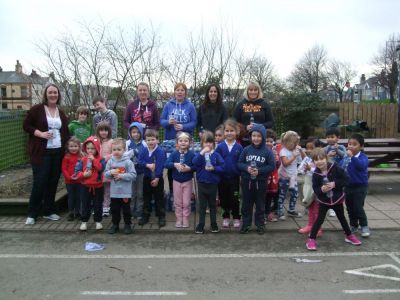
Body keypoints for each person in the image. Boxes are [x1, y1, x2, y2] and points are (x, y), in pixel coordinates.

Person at [23, 84, 70, 225]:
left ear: (58, 95)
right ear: (46, 94)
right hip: (41, 152)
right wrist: (41, 134)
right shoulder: (37, 109)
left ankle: (48, 211)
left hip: (57, 152)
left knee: (53, 181)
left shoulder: (60, 112)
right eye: (50, 92)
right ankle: (32, 213)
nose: (53, 95)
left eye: (55, 92)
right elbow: (26, 125)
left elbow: (66, 133)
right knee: (40, 182)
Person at [306, 148, 361, 251]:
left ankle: (349, 236)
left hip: (337, 199)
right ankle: (311, 239)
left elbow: (346, 179)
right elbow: (315, 188)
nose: (319, 162)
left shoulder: (336, 168)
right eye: (316, 160)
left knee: (342, 218)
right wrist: (321, 189)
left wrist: (335, 184)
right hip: (324, 201)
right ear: (313, 162)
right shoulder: (316, 174)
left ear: (326, 158)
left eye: (321, 159)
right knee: (319, 220)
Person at [160, 82, 197, 204]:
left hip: (186, 141)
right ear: (174, 92)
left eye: (182, 90)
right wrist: (168, 122)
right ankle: (172, 192)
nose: (180, 92)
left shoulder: (190, 106)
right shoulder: (168, 105)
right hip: (171, 141)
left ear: (185, 93)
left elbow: (194, 123)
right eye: (177, 90)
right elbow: (162, 121)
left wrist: (184, 126)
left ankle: (187, 192)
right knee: (173, 165)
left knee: (186, 165)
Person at [237, 124, 275, 234]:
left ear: (263, 137)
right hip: (247, 182)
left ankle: (260, 224)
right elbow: (239, 163)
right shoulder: (246, 149)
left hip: (261, 183)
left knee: (260, 204)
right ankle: (246, 224)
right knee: (246, 204)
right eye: (254, 135)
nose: (256, 138)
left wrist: (259, 171)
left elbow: (271, 166)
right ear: (250, 136)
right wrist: (247, 168)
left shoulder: (268, 151)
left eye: (259, 136)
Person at [193, 130, 224, 234]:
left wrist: (214, 168)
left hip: (213, 184)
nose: (208, 144)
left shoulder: (216, 155)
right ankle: (201, 225)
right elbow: (194, 162)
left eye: (210, 142)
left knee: (212, 205)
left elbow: (222, 167)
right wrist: (201, 153)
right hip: (201, 183)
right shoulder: (199, 154)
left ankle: (214, 224)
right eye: (206, 142)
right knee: (202, 206)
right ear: (202, 143)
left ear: (213, 143)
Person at [104, 138, 137, 234]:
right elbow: (105, 174)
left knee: (126, 210)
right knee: (115, 210)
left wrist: (121, 176)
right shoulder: (110, 162)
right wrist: (111, 172)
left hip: (125, 192)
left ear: (124, 150)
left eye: (119, 149)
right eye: (114, 150)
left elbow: (133, 175)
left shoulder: (128, 162)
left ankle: (127, 225)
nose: (116, 152)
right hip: (114, 193)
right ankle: (115, 225)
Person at [215, 119, 243, 228]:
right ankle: (225, 217)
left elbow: (241, 163)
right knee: (223, 198)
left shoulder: (239, 147)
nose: (229, 133)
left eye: (232, 130)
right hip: (222, 178)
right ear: (224, 132)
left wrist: (241, 175)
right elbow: (216, 161)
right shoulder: (220, 147)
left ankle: (236, 217)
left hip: (235, 178)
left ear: (237, 132)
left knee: (235, 198)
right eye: (227, 131)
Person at [165, 132, 195, 228]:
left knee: (186, 202)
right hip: (176, 181)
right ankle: (179, 219)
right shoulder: (174, 154)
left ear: (189, 143)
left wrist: (189, 168)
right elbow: (166, 164)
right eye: (181, 141)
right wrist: (174, 164)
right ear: (177, 143)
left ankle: (185, 218)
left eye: (186, 141)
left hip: (187, 181)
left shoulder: (191, 154)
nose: (183, 142)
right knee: (177, 202)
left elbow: (196, 166)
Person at [76, 136, 106, 231]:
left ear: (97, 148)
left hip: (98, 186)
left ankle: (98, 221)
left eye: (93, 148)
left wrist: (94, 160)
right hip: (85, 186)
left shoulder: (101, 159)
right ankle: (84, 221)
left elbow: (101, 168)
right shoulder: (82, 159)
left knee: (98, 205)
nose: (90, 150)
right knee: (85, 204)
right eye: (88, 148)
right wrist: (83, 174)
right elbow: (76, 173)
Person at [138, 129, 167, 227]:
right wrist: (147, 165)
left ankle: (161, 216)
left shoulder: (160, 151)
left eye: (153, 139)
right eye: (148, 140)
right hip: (147, 177)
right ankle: (146, 215)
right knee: (146, 197)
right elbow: (140, 161)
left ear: (157, 140)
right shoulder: (143, 150)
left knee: (159, 198)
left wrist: (157, 178)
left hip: (158, 179)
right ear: (145, 141)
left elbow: (160, 165)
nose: (150, 142)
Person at [345, 134, 370, 237]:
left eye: (354, 144)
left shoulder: (363, 157)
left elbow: (361, 166)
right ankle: (353, 225)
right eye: (349, 144)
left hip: (360, 187)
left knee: (358, 207)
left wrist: (352, 157)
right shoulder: (346, 157)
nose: (351, 146)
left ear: (361, 146)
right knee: (350, 208)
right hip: (348, 186)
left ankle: (364, 226)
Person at [233, 81, 273, 146]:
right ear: (247, 91)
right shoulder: (240, 104)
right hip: (244, 140)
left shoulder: (265, 104)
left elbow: (270, 122)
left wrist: (259, 126)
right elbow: (234, 122)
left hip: (260, 139)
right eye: (251, 90)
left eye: (255, 90)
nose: (253, 92)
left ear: (258, 91)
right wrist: (245, 127)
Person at [276, 131, 305, 220]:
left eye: (296, 143)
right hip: (284, 177)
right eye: (293, 143)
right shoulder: (283, 151)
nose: (295, 145)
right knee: (282, 194)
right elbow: (285, 163)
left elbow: (304, 159)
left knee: (295, 194)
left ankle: (291, 210)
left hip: (293, 177)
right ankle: (279, 210)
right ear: (286, 142)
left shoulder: (295, 150)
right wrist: (293, 156)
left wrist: (301, 151)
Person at [297, 138, 322, 236]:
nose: (309, 150)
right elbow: (300, 169)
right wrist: (303, 169)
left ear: (318, 148)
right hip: (308, 186)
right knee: (310, 207)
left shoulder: (321, 159)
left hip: (317, 187)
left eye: (312, 148)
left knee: (317, 209)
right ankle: (310, 225)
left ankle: (318, 228)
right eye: (307, 148)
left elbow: (322, 171)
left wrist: (310, 168)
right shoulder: (307, 158)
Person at [125, 122, 146, 222]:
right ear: (130, 133)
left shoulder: (144, 143)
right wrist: (130, 153)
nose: (136, 134)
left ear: (141, 133)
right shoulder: (127, 143)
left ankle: (139, 210)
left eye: (138, 132)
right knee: (131, 193)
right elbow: (124, 156)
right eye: (133, 132)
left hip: (141, 172)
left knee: (140, 192)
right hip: (130, 173)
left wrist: (138, 153)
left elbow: (146, 156)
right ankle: (131, 210)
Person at [324, 127, 346, 218]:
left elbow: (345, 156)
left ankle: (335, 207)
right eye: (328, 137)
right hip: (328, 172)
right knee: (329, 189)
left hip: (338, 172)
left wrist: (337, 150)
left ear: (338, 138)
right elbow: (321, 157)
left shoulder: (341, 147)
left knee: (337, 189)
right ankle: (329, 207)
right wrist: (327, 155)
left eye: (332, 137)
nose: (330, 139)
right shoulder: (326, 148)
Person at [61, 136, 82, 221]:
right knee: (71, 197)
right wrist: (69, 177)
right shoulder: (67, 157)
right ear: (68, 147)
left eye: (75, 146)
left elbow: (83, 167)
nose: (73, 148)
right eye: (71, 146)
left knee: (79, 197)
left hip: (79, 180)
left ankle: (77, 212)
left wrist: (80, 175)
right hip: (69, 181)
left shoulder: (81, 156)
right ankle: (70, 212)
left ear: (79, 147)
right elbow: (64, 168)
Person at [96, 122, 113, 217]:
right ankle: (98, 206)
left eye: (106, 130)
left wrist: (105, 157)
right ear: (98, 131)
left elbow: (114, 153)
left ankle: (106, 207)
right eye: (101, 130)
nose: (103, 132)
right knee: (98, 190)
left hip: (107, 169)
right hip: (97, 170)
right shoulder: (95, 141)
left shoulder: (111, 142)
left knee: (107, 190)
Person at [265, 129, 280, 223]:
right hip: (264, 177)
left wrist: (276, 159)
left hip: (273, 178)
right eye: (267, 141)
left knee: (270, 196)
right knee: (263, 197)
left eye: (271, 141)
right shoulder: (261, 151)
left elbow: (278, 165)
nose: (269, 143)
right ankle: (262, 214)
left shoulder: (274, 151)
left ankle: (268, 212)